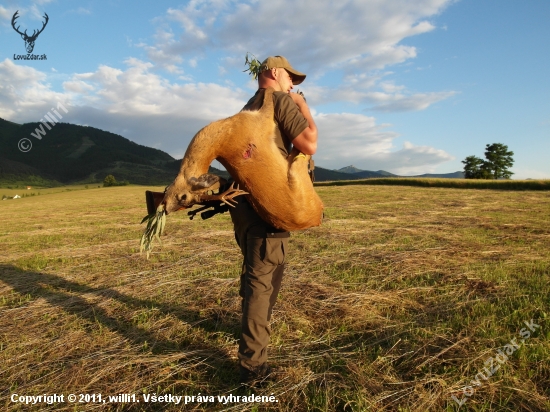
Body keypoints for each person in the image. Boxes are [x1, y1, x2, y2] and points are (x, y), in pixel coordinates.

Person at [229, 55, 318, 384]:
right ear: (276, 73)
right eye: (291, 78)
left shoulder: (248, 107)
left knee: (256, 276)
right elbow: (310, 144)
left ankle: (253, 330)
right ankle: (252, 371)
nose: (294, 85)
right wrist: (301, 105)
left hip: (244, 209)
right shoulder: (281, 100)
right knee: (262, 285)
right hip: (268, 209)